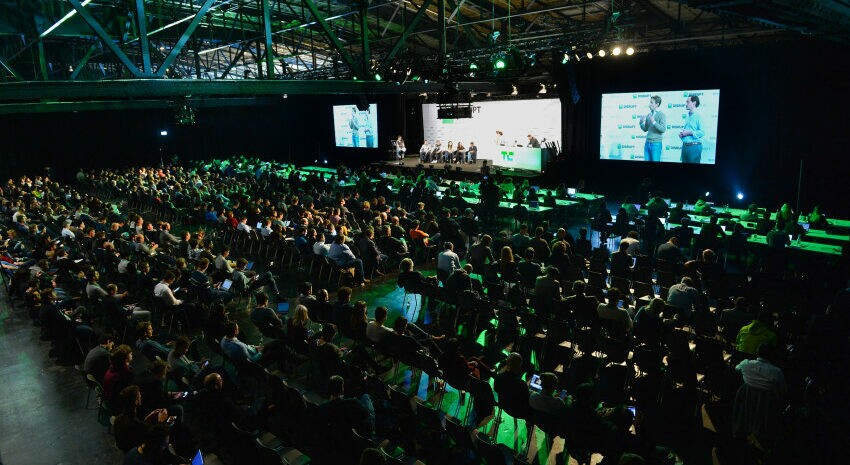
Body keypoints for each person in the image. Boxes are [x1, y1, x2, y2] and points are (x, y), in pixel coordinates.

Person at [639, 95, 667, 162]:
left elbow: (663, 129)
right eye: (650, 102)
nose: (649, 104)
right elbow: (645, 129)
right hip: (647, 143)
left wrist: (654, 122)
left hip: (656, 144)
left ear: (657, 104)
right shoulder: (649, 115)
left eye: (651, 102)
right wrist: (641, 123)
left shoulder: (662, 115)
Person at [679, 94, 704, 163]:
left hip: (694, 147)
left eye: (688, 102)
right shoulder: (687, 116)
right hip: (685, 147)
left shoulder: (699, 116)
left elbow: (702, 132)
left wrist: (689, 132)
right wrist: (682, 135)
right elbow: (687, 132)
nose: (686, 104)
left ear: (694, 103)